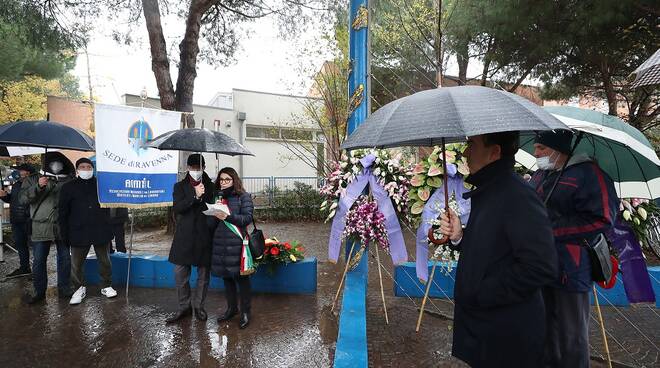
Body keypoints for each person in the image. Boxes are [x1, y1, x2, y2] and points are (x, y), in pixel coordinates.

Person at [439, 131, 558, 367]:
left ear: (494, 152)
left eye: (471, 145)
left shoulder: (518, 196)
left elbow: (541, 266)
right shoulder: (490, 190)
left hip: (507, 336)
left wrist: (481, 291)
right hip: (488, 329)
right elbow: (494, 247)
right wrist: (460, 235)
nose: (465, 152)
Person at [530, 130, 618, 367]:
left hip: (571, 268)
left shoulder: (590, 175)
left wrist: (551, 230)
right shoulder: (541, 174)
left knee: (570, 337)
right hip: (539, 265)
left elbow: (602, 219)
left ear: (560, 150)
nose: (535, 153)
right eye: (536, 147)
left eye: (542, 149)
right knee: (542, 331)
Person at [58, 158, 117, 305]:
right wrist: (64, 233)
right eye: (82, 167)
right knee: (76, 264)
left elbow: (111, 205)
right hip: (78, 232)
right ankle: (79, 288)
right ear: (77, 170)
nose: (86, 169)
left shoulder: (101, 185)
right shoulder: (68, 187)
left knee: (105, 261)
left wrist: (110, 227)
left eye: (89, 166)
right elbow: (63, 212)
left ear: (93, 168)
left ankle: (106, 285)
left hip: (100, 230)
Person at [20, 152, 75, 304]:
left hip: (62, 226)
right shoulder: (32, 179)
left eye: (59, 162)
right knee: (38, 260)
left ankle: (65, 287)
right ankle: (39, 291)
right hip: (40, 226)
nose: (56, 165)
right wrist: (38, 186)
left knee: (65, 258)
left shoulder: (68, 179)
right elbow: (23, 199)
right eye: (53, 162)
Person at [166, 154, 215, 323]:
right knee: (180, 274)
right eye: (193, 168)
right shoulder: (179, 186)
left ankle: (199, 306)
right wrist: (195, 197)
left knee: (203, 275)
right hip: (184, 236)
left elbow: (214, 208)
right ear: (188, 168)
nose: (196, 171)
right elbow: (178, 208)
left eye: (199, 168)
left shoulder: (211, 186)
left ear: (204, 168)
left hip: (204, 236)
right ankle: (184, 307)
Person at [210, 167, 254, 329]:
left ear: (234, 180)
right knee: (226, 277)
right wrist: (213, 214)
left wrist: (228, 216)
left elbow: (247, 218)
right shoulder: (217, 198)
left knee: (242, 280)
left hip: (237, 244)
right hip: (220, 244)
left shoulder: (243, 197)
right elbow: (212, 225)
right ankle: (231, 308)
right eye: (221, 180)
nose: (223, 183)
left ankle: (245, 312)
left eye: (227, 179)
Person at [0, 163, 36, 279]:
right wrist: (4, 196)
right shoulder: (16, 185)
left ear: (28, 172)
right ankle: (24, 268)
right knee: (21, 245)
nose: (19, 173)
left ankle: (38, 270)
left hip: (29, 220)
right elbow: (13, 200)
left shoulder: (34, 184)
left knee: (35, 246)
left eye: (21, 171)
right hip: (16, 220)